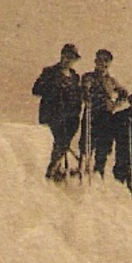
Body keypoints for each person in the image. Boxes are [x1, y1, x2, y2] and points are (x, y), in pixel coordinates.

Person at [32, 43, 84, 182]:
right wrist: (53, 88)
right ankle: (51, 171)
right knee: (55, 143)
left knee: (63, 144)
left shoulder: (74, 76)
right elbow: (36, 90)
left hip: (70, 117)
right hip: (52, 115)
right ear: (62, 55)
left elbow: (77, 95)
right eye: (66, 56)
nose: (68, 60)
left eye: (72, 58)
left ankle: (56, 169)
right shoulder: (49, 72)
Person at [80, 49, 125, 178]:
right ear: (95, 61)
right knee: (87, 144)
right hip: (91, 114)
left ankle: (99, 173)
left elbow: (124, 93)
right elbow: (83, 92)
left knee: (103, 146)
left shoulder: (111, 81)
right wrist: (86, 92)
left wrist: (115, 105)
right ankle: (83, 170)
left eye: (106, 61)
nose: (102, 63)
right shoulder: (88, 77)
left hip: (105, 116)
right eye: (100, 60)